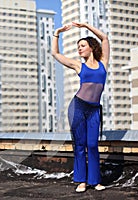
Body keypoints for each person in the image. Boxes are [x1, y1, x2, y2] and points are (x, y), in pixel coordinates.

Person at [51, 22, 110, 193]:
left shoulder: (103, 62)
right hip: (78, 107)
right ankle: (81, 181)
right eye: (78, 46)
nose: (79, 49)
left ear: (91, 47)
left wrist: (85, 25)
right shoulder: (79, 65)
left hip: (94, 110)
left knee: (92, 144)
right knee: (80, 144)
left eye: (82, 45)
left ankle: (95, 181)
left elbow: (104, 38)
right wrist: (57, 33)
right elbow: (55, 53)